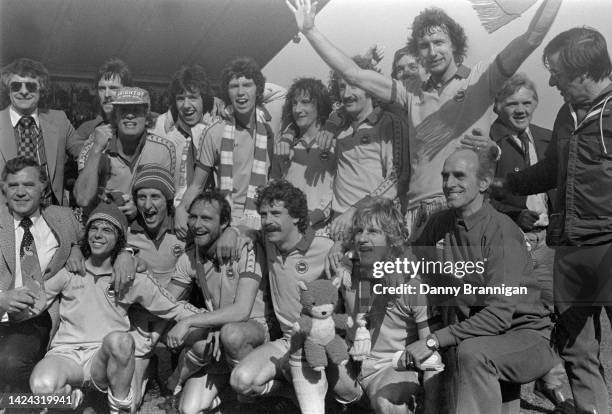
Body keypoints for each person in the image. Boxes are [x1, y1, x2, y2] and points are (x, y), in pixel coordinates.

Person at [286, 0, 562, 236]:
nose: (432, 51)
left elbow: (531, 39)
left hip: (463, 205)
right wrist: (311, 31)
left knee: (465, 296)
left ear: (455, 44)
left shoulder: (480, 79)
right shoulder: (410, 93)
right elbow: (354, 74)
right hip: (417, 214)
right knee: (419, 298)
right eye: (424, 45)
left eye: (439, 42)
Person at [499, 27, 612, 414]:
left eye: (558, 74)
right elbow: (551, 170)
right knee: (577, 347)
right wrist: (505, 185)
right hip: (569, 248)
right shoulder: (566, 113)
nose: (552, 81)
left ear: (585, 73)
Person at [408, 148, 556, 413]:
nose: (449, 184)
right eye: (445, 176)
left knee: (471, 352)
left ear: (484, 183)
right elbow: (410, 259)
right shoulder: (441, 222)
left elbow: (499, 315)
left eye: (459, 176)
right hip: (481, 336)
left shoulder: (501, 231)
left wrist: (432, 340)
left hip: (525, 336)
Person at [28, 202, 202, 414]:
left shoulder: (130, 277)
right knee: (41, 387)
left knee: (121, 340)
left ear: (119, 239)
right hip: (67, 354)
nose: (98, 235)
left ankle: (118, 407)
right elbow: (32, 303)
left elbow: (173, 308)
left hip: (103, 358)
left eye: (107, 230)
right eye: (94, 228)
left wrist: (210, 320)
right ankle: (74, 399)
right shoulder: (70, 270)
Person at [230, 181, 358, 414]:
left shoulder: (326, 247)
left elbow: (357, 271)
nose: (268, 220)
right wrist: (236, 232)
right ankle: (289, 394)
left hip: (326, 339)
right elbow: (242, 230)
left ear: (298, 217)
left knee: (348, 391)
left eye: (276, 213)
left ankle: (339, 398)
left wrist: (343, 248)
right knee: (241, 382)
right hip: (290, 341)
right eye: (263, 214)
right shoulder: (268, 242)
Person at [488, 73, 567, 406]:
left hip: (550, 241)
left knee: (557, 312)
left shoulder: (549, 139)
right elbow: (482, 194)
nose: (520, 109)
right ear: (498, 107)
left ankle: (552, 379)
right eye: (512, 103)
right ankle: (515, 389)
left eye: (526, 102)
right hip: (512, 240)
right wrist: (513, 211)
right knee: (516, 312)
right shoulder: (489, 145)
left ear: (536, 104)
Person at [163, 189, 271, 414]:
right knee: (189, 410)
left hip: (256, 332)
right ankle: (227, 391)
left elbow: (242, 311)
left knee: (231, 334)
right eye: (193, 216)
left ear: (224, 224)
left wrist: (190, 322)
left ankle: (256, 400)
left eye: (206, 218)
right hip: (221, 335)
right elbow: (166, 302)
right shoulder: (190, 257)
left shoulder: (245, 247)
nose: (196, 224)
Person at [338, 197, 443, 414]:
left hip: (390, 367)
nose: (363, 239)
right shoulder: (348, 270)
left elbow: (430, 349)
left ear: (391, 239)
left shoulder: (411, 284)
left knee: (389, 405)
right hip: (351, 361)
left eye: (373, 232)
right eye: (359, 231)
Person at [0, 157, 83, 392]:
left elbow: (102, 230)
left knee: (10, 362)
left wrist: (76, 246)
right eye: (13, 185)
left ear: (43, 187)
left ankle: (30, 394)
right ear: (4, 189)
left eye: (28, 184)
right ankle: (55, 395)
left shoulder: (62, 217)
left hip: (37, 315)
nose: (20, 192)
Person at [175, 57, 274, 238]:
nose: (241, 92)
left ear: (258, 89)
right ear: (227, 92)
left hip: (262, 222)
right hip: (225, 224)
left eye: (247, 85)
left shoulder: (269, 130)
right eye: (234, 86)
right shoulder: (215, 132)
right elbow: (197, 184)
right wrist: (181, 209)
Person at [126, 164, 185, 406]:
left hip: (175, 312)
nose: (148, 205)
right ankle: (146, 372)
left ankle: (178, 378)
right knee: (131, 402)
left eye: (155, 196)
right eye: (141, 197)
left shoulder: (183, 231)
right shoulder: (128, 233)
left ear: (168, 200)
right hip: (139, 316)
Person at [74, 87, 174, 220]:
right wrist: (97, 149)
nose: (130, 115)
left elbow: (167, 202)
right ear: (115, 115)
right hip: (101, 225)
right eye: (124, 110)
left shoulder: (164, 149)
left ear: (147, 115)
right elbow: (82, 199)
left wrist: (139, 208)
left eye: (136, 110)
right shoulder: (96, 144)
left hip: (143, 229)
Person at [0, 58, 85, 206]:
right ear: (8, 89)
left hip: (49, 212)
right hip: (5, 216)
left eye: (31, 86)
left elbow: (85, 153)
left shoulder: (59, 120)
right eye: (16, 86)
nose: (24, 91)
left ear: (41, 88)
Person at [271, 77, 335, 235]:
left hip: (323, 232)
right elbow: (274, 187)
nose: (298, 109)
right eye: (294, 103)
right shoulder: (284, 146)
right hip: (290, 232)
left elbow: (339, 190)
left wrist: (313, 217)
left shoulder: (334, 144)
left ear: (319, 105)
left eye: (305, 102)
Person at [150, 65, 219, 206]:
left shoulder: (215, 131)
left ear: (204, 99)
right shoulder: (161, 131)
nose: (186, 105)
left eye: (193, 98)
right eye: (181, 98)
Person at [76, 58, 133, 141]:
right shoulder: (85, 130)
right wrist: (91, 143)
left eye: (113, 88)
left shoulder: (139, 128)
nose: (106, 95)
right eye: (102, 88)